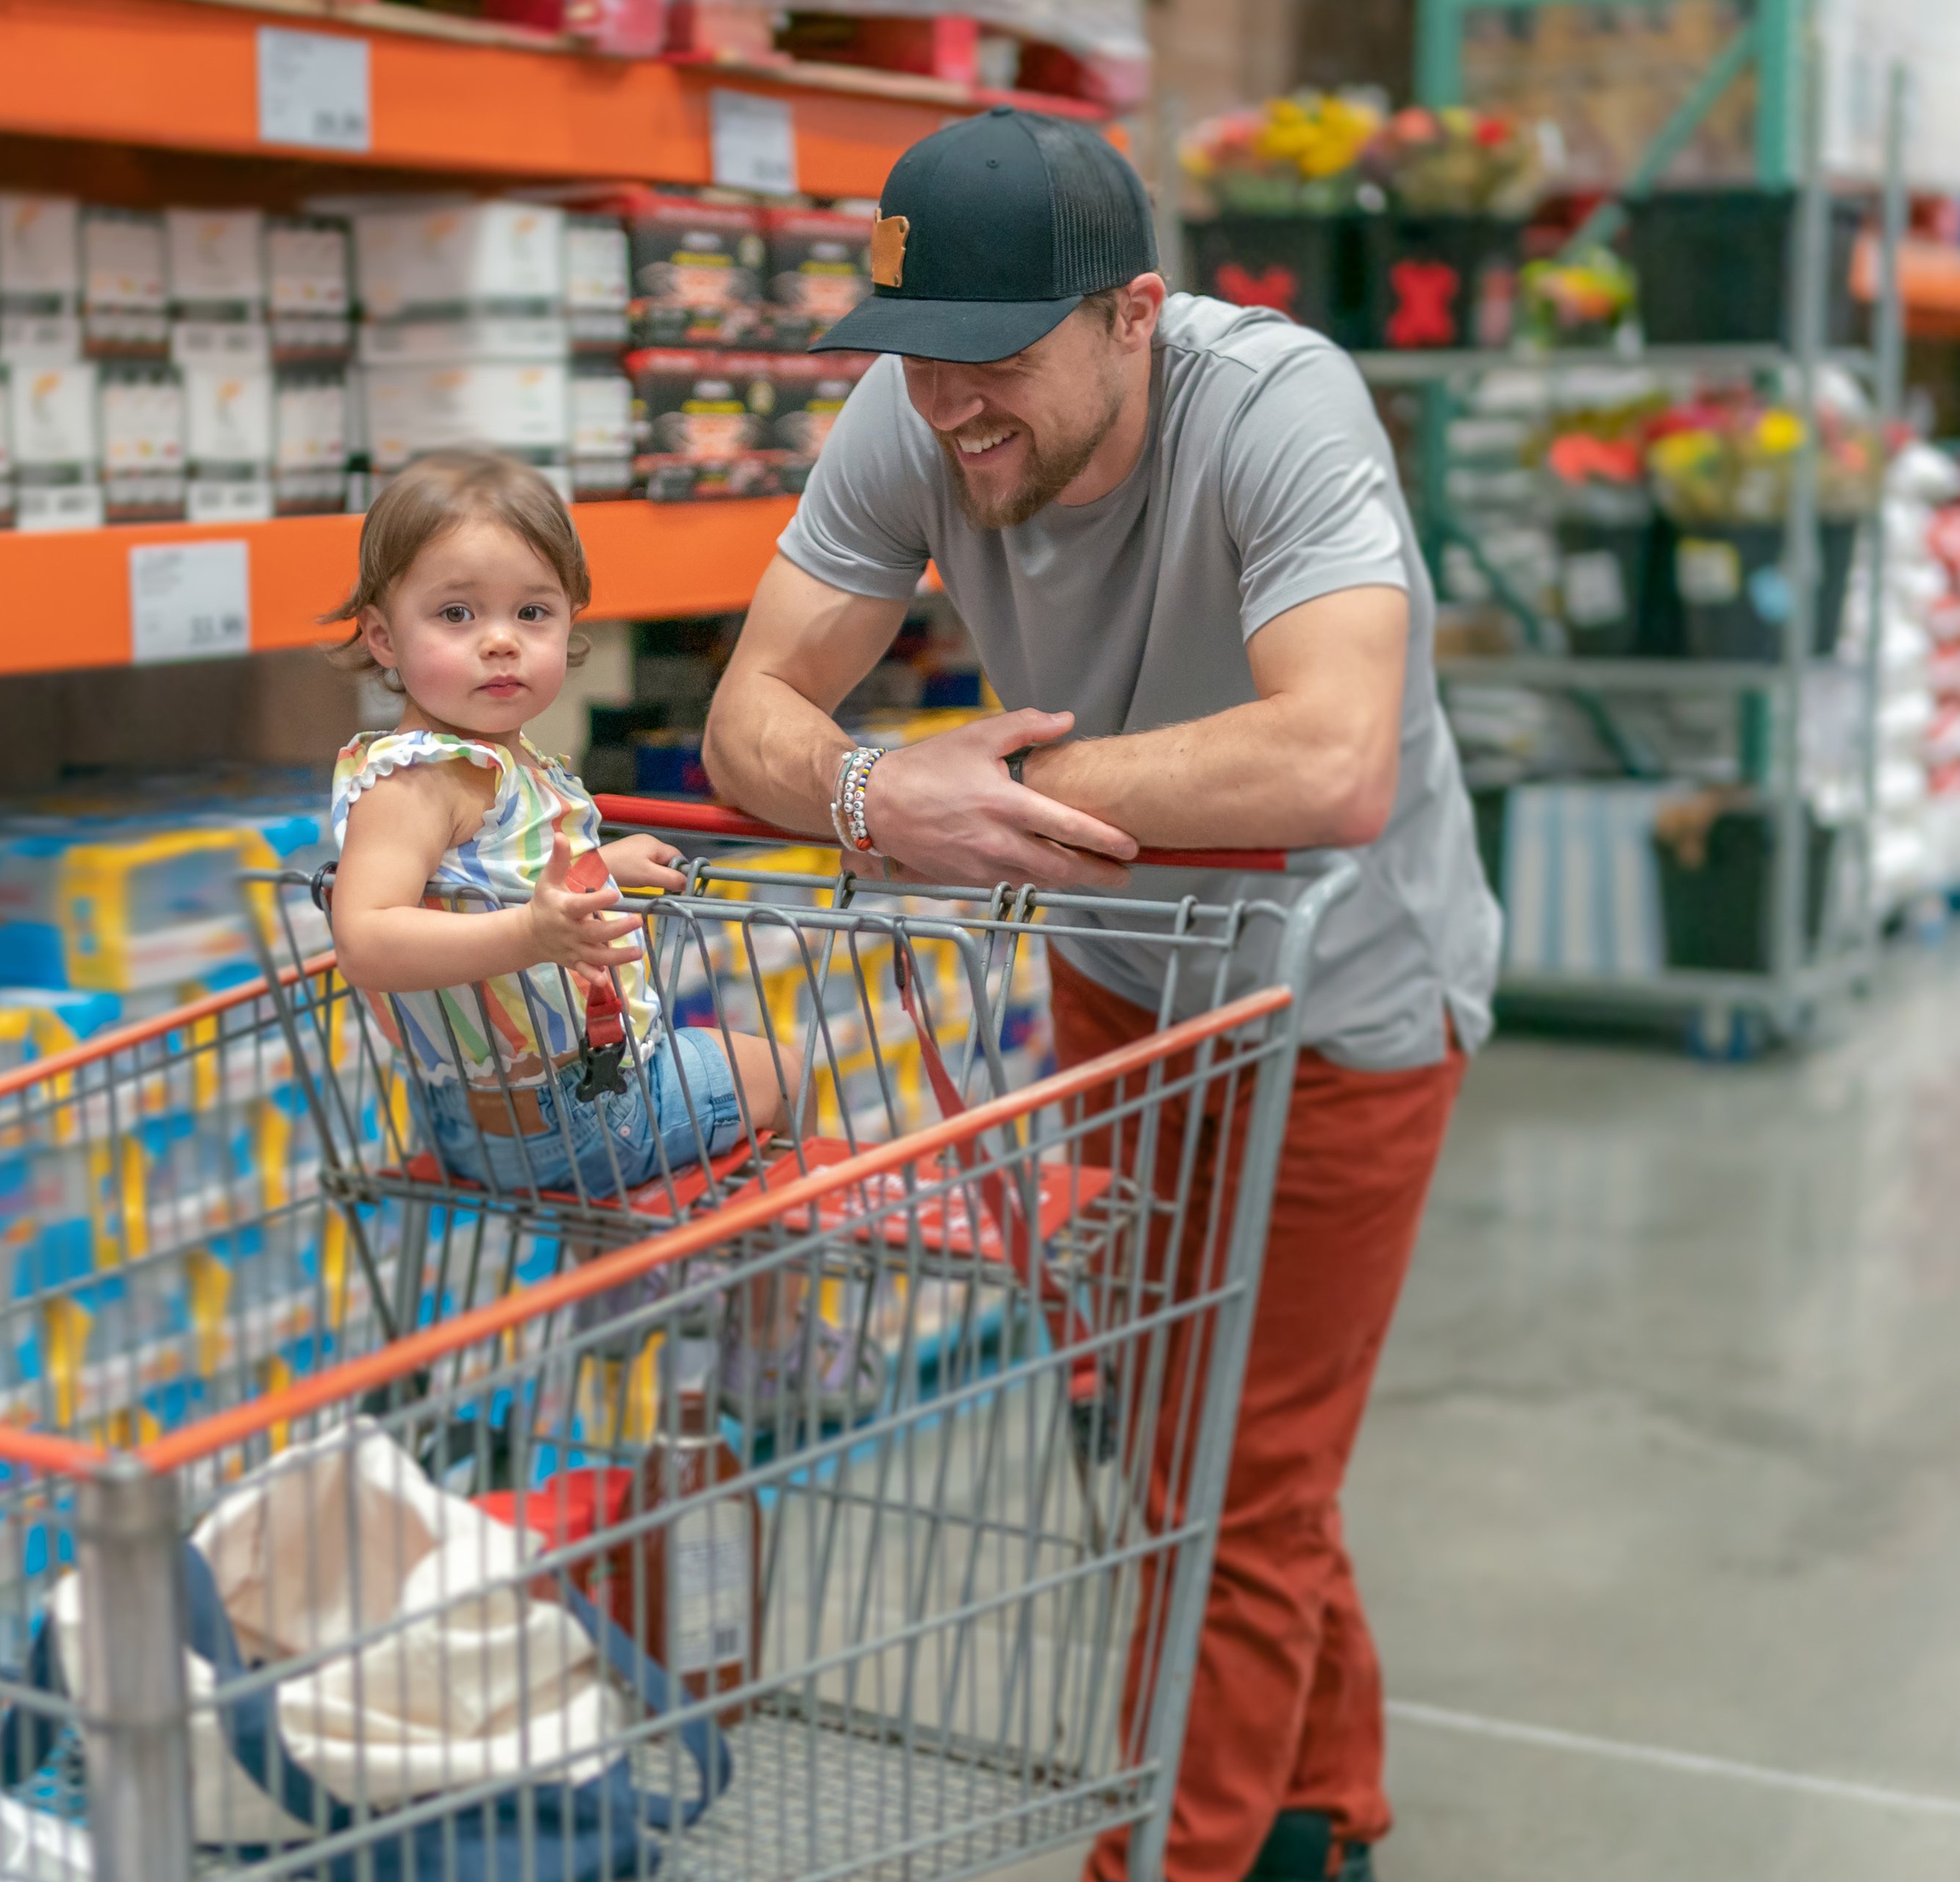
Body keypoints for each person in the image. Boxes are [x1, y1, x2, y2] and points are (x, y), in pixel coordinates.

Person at [700, 107, 1501, 1882]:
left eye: (992, 358)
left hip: (1342, 999)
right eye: (913, 359)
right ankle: (1321, 1807)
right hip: (1118, 981)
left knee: (1231, 1485)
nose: (945, 403)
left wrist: (985, 801)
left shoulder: (1278, 407)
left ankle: (1172, 1857)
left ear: (1134, 314)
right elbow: (750, 707)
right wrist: (866, 792)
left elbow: (1334, 759)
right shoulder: (912, 411)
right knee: (1163, 1415)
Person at [325, 449, 795, 1199]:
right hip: (578, 1117)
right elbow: (367, 939)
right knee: (782, 1069)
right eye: (456, 614)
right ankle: (764, 1318)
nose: (501, 639)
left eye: (532, 612)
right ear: (382, 637)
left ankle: (618, 1292)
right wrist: (529, 936)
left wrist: (598, 867)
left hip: (474, 1122)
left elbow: (492, 878)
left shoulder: (497, 764)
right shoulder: (419, 778)